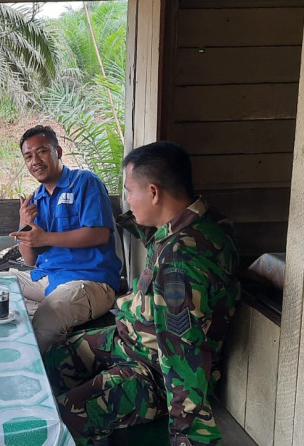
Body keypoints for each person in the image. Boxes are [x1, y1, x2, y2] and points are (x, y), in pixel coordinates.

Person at [42, 141, 240, 446]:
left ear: (153, 192)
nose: (127, 200)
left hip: (154, 374)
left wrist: (185, 438)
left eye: (129, 190)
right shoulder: (202, 222)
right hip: (129, 341)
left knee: (60, 418)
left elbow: (184, 357)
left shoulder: (181, 262)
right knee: (50, 360)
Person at [5, 125, 122, 352]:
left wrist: (45, 237)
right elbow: (29, 259)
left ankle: (41, 380)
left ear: (58, 151)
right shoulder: (36, 199)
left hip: (90, 280)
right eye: (28, 156)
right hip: (49, 277)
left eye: (42, 152)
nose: (35, 161)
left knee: (49, 316)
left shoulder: (84, 182)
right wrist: (23, 222)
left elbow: (99, 233)